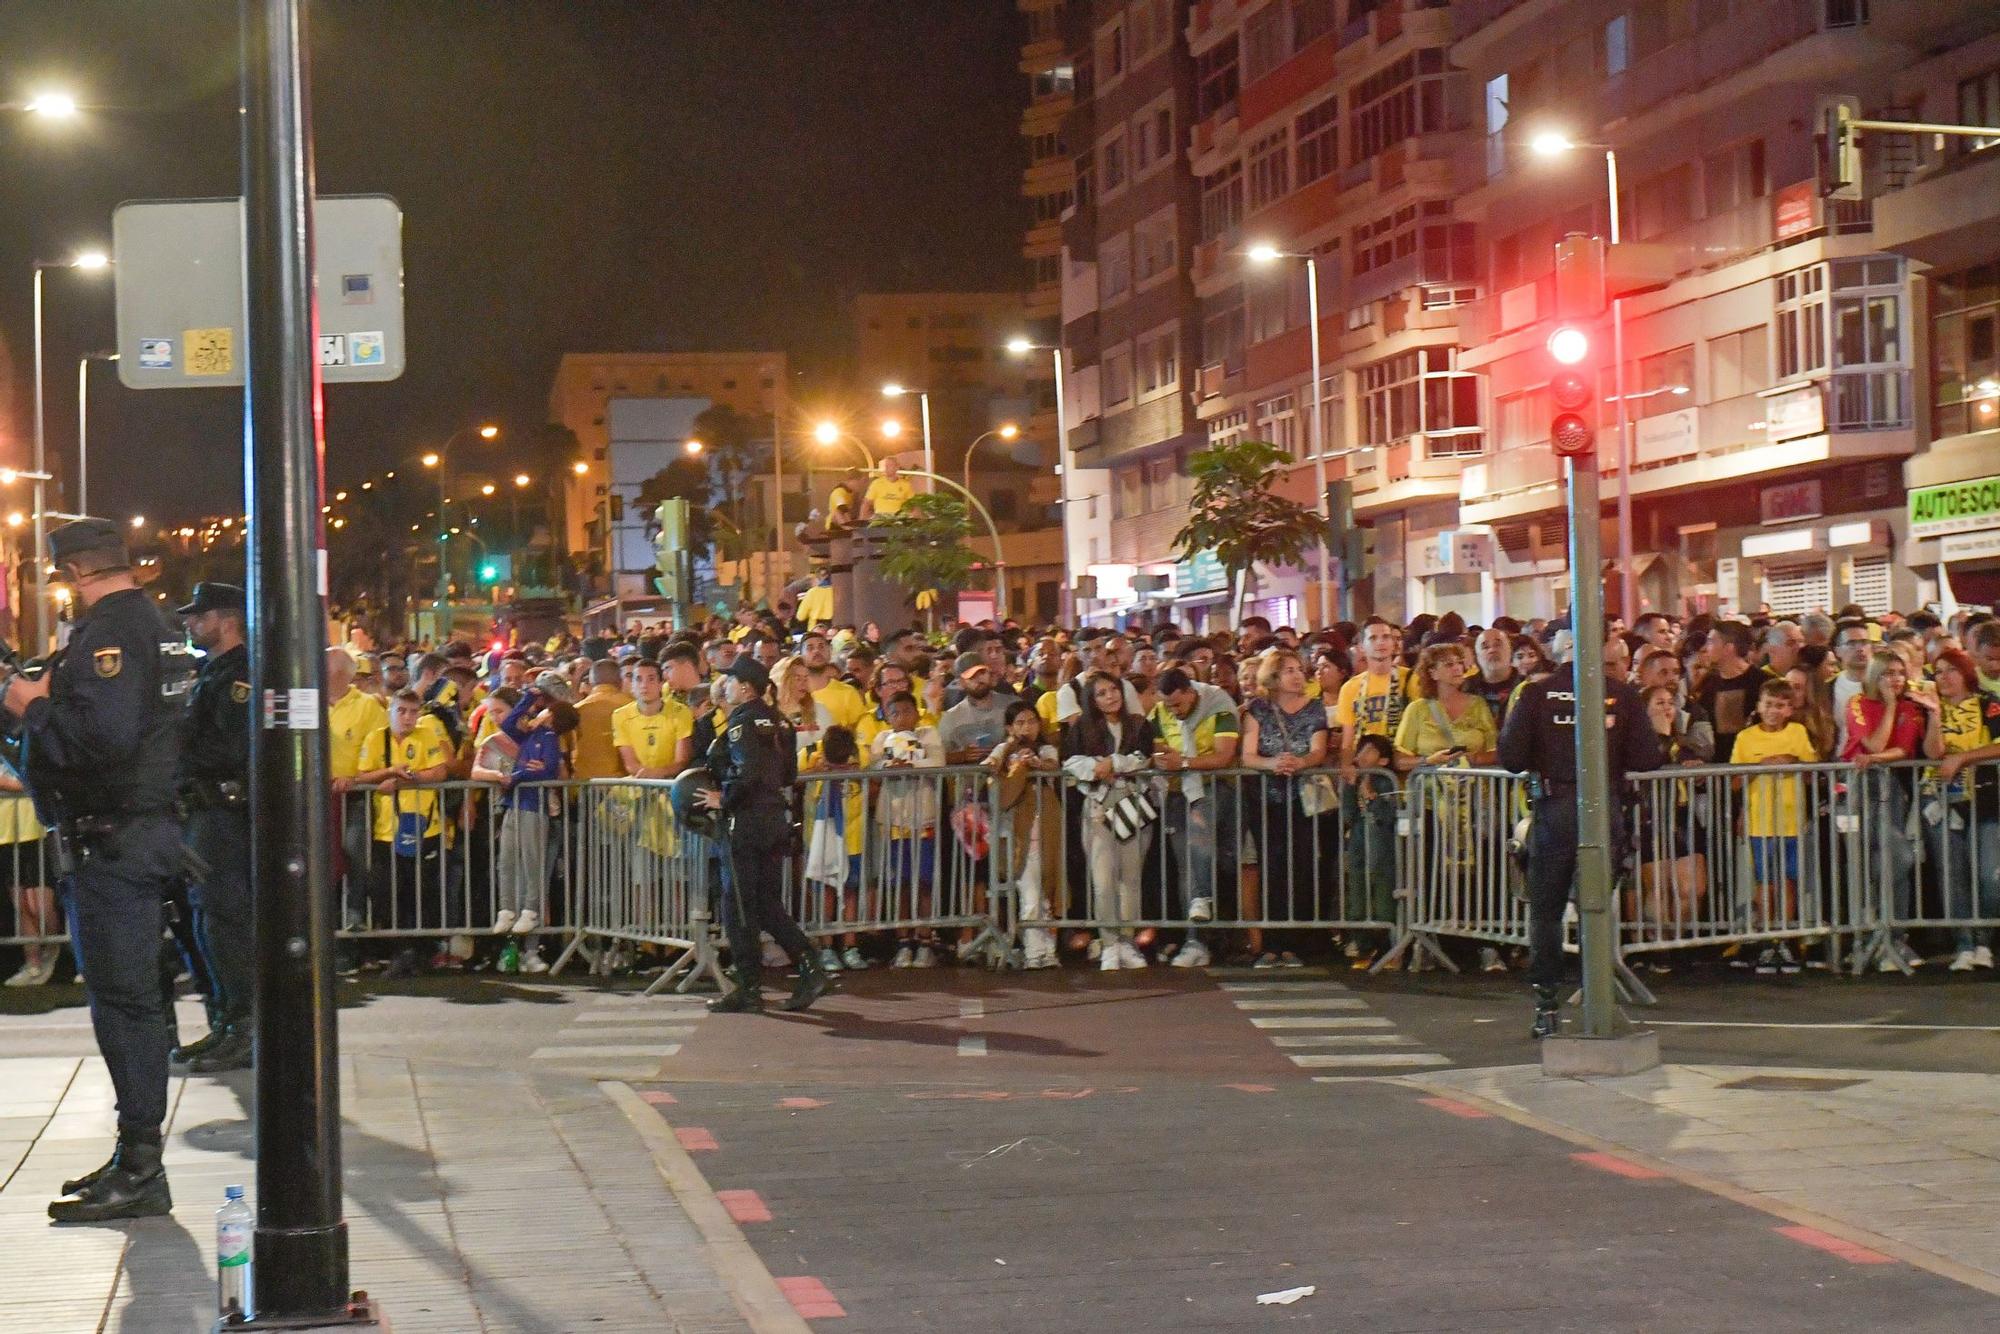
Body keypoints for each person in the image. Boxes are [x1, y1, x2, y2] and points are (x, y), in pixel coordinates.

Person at [7, 518, 189, 1222]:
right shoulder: (154, 622)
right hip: (134, 833)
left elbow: (100, 740)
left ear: (78, 572)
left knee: (125, 1007)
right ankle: (133, 1155)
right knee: (128, 1004)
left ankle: (142, 1167)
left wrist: (33, 705)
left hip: (116, 841)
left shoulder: (113, 632)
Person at [1497, 653, 1662, 1039]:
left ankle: (1546, 1004)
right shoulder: (1619, 694)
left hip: (1554, 810)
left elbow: (1511, 757)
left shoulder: (1536, 694)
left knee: (1546, 911)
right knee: (1596, 908)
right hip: (1603, 809)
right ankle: (1597, 996)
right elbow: (1647, 756)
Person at [700, 656, 831, 1013]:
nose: (725, 686)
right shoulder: (781, 722)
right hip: (774, 818)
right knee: (765, 902)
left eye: (730, 681)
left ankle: (748, 987)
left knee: (739, 904)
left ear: (745, 687)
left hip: (745, 821)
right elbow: (788, 774)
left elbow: (748, 770)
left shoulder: (742, 722)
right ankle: (809, 966)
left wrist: (723, 797)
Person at [171, 583, 255, 1074]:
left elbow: (230, 748)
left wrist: (173, 754)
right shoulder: (210, 673)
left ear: (225, 620)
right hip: (202, 812)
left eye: (197, 617)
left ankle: (245, 1027)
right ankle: (227, 1020)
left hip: (223, 813)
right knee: (206, 921)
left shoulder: (240, 676)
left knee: (226, 922)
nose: (189, 624)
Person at [1240, 650, 1330, 968]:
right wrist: (1272, 763)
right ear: (1274, 678)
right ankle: (1271, 943)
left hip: (1303, 800)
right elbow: (1247, 755)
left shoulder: (1315, 708)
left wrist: (1300, 762)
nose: (1297, 675)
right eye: (1288, 671)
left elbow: (1319, 749)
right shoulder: (1258, 710)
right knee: (1272, 868)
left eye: (1298, 669)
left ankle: (1296, 943)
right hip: (1266, 799)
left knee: (1302, 867)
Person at [1061, 671, 1155, 969]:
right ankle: (1110, 943)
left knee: (1131, 880)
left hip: (1133, 806)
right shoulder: (1082, 729)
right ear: (1092, 700)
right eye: (1102, 693)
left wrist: (1115, 762)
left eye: (1114, 690)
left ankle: (1128, 942)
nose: (1110, 696)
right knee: (1103, 881)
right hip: (1098, 808)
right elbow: (1070, 763)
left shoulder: (1138, 725)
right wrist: (1095, 766)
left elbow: (1145, 757)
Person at [1151, 666, 1240, 969]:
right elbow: (1151, 743)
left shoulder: (1220, 704)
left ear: (1191, 692)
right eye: (1168, 705)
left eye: (1178, 704)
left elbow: (1224, 755)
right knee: (1185, 863)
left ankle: (1202, 908)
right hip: (1177, 792)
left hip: (1214, 787)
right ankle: (1195, 939)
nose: (1173, 711)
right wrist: (1161, 757)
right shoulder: (1161, 712)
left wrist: (1185, 762)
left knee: (1200, 842)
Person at [1730, 678, 1817, 974]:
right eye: (1768, 704)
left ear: (1790, 709)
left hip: (1792, 821)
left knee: (1788, 882)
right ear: (1758, 706)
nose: (1773, 711)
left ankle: (1785, 939)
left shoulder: (1798, 732)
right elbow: (1734, 781)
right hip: (1761, 822)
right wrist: (1761, 765)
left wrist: (1790, 760)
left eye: (1780, 705)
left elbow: (1811, 773)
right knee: (1765, 883)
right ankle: (1767, 939)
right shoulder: (1746, 738)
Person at [1925, 649, 2000, 971]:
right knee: (1951, 874)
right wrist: (1934, 717)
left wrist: (1964, 758)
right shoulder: (1932, 708)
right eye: (1938, 672)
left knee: (1988, 874)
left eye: (1951, 670)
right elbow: (1932, 753)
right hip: (1941, 799)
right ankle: (1965, 944)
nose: (1944, 677)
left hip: (1985, 798)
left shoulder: (1988, 702)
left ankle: (1985, 941)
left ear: (1966, 672)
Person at [492, 688, 576, 940]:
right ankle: (506, 908)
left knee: (531, 861)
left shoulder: (548, 737)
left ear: (551, 717)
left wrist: (515, 777)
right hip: (515, 803)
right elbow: (509, 723)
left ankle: (530, 909)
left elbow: (547, 771)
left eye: (544, 710)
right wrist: (528, 698)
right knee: (506, 859)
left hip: (533, 806)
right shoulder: (529, 735)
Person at [988, 702, 1062, 968]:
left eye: (1031, 721)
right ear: (1009, 727)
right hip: (1018, 834)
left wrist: (1037, 763)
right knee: (1029, 894)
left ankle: (1049, 951)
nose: (1026, 728)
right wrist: (1011, 756)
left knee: (1047, 892)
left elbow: (1053, 766)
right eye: (1019, 722)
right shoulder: (1003, 749)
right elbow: (989, 767)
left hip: (1047, 830)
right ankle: (1033, 951)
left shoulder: (1045, 749)